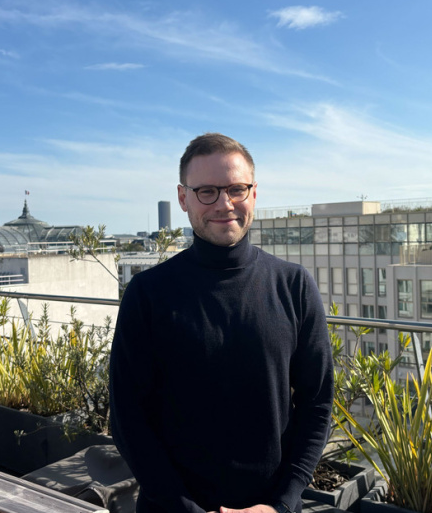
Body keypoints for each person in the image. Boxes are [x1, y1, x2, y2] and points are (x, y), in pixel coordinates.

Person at [109, 133, 333, 513]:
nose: (224, 203)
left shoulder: (294, 286)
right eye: (207, 191)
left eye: (236, 189)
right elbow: (128, 419)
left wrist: (280, 504)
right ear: (183, 198)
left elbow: (317, 404)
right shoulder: (147, 293)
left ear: (254, 193)